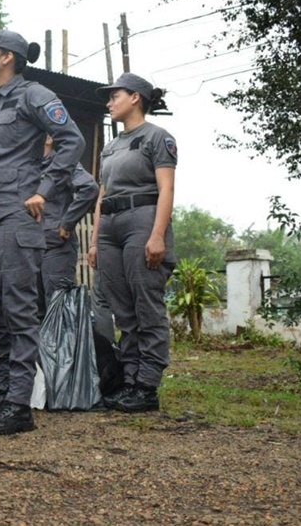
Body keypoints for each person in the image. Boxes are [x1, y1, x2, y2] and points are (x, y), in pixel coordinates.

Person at [0, 30, 85, 435]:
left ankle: (19, 403)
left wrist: (44, 191)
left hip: (17, 211)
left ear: (5, 57)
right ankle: (3, 391)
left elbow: (72, 141)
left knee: (19, 307)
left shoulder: (35, 95)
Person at [89, 73, 176, 413]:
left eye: (115, 96)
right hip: (110, 224)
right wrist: (95, 241)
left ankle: (147, 384)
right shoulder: (110, 146)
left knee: (146, 305)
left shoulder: (157, 137)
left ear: (136, 98)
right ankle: (129, 381)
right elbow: (101, 194)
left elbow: (166, 189)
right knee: (122, 308)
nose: (109, 103)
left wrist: (157, 235)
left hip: (142, 218)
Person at [38, 135, 99, 312]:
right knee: (34, 309)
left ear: (48, 138)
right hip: (31, 246)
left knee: (59, 308)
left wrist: (67, 223)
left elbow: (89, 188)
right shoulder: (28, 166)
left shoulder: (61, 163)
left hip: (56, 246)